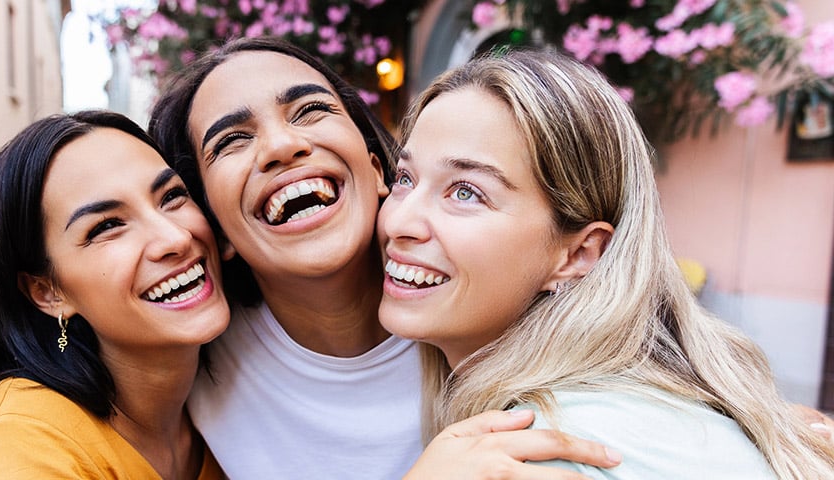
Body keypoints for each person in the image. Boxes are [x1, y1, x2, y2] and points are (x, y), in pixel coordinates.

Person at [149, 37, 620, 479]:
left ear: (378, 171)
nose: (281, 146)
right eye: (230, 141)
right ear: (214, 223)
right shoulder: (190, 363)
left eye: (310, 109)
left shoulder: (492, 315)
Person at [378, 49, 834, 478]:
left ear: (579, 253)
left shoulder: (540, 451)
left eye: (466, 192)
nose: (399, 219)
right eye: (405, 178)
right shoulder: (624, 407)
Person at [0, 111, 230, 479]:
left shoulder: (230, 405)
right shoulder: (19, 445)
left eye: (172, 196)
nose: (176, 238)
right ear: (48, 292)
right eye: (107, 226)